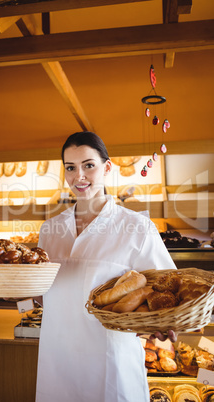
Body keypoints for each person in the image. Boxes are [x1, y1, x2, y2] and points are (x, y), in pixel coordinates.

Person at [35, 131, 177, 402]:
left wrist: (161, 319)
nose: (80, 176)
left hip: (112, 367)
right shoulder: (50, 230)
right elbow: (45, 296)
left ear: (107, 167)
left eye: (89, 165)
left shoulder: (137, 227)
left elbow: (168, 288)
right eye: (70, 168)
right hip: (58, 363)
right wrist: (16, 290)